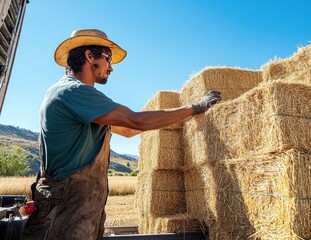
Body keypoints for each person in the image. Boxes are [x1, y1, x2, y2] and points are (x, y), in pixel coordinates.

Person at [23, 29, 221, 240]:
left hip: (82, 206)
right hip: (64, 208)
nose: (111, 67)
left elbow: (128, 130)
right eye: (108, 59)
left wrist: (179, 124)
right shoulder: (73, 92)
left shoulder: (79, 98)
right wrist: (195, 107)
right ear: (90, 56)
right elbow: (137, 121)